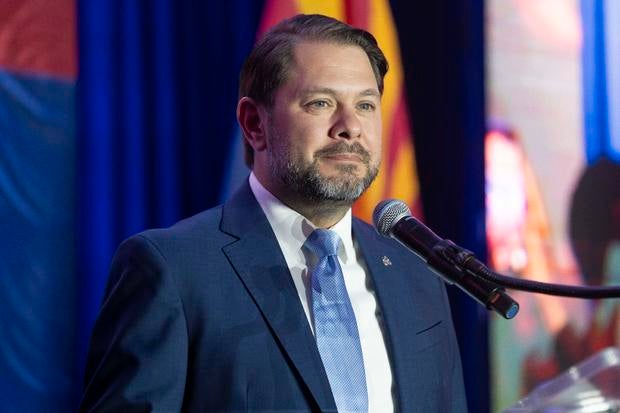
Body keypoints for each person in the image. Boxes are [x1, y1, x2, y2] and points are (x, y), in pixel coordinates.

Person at [79, 14, 466, 412]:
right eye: (321, 103)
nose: (350, 127)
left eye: (365, 105)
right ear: (254, 123)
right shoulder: (173, 271)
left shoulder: (416, 273)